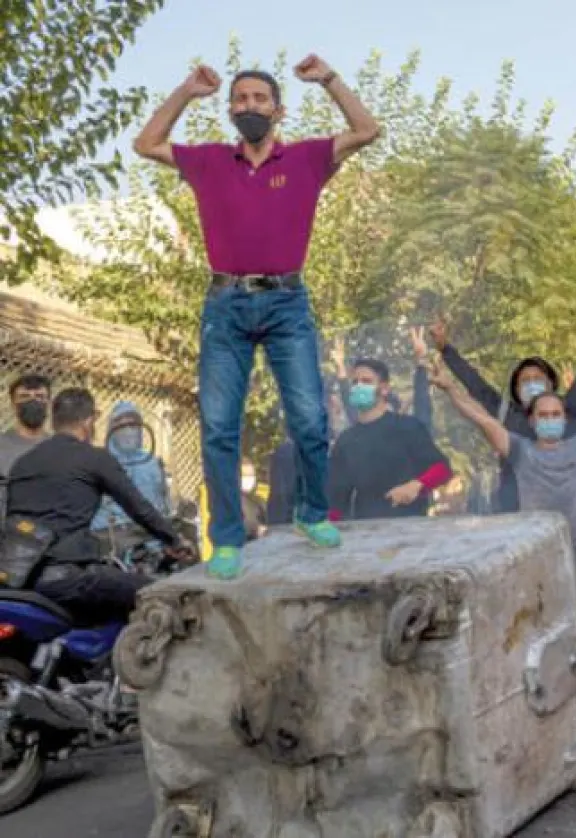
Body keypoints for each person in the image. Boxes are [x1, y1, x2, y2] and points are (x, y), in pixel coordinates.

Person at [133, 55, 382, 579]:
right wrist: (186, 91)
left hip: (287, 303)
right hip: (226, 304)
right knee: (219, 427)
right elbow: (147, 143)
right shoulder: (208, 161)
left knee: (310, 419)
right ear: (230, 110)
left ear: (278, 111)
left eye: (260, 99)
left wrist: (329, 80)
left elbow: (366, 130)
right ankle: (226, 538)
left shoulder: (308, 159)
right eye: (241, 99)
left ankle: (311, 513)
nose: (250, 106)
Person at [431, 361, 576, 727]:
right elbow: (480, 417)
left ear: (565, 419)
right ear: (532, 421)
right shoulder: (520, 450)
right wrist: (450, 388)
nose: (550, 419)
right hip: (538, 555)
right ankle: (541, 699)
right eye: (543, 415)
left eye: (556, 414)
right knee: (538, 629)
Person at [5, 389, 190, 626]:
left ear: (54, 420)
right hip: (70, 578)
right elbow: (139, 508)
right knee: (165, 596)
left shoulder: (23, 463)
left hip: (21, 578)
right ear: (88, 421)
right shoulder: (94, 458)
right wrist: (175, 541)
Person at [427, 297, 576, 513]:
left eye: (537, 379)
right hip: (517, 513)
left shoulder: (569, 410)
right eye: (525, 381)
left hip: (568, 512)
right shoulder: (505, 413)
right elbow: (476, 384)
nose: (532, 384)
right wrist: (445, 349)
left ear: (550, 384)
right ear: (516, 389)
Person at [327, 359, 452, 521]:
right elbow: (336, 500)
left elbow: (443, 469)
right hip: (366, 528)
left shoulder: (407, 427)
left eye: (366, 381)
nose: (359, 387)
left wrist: (417, 485)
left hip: (411, 527)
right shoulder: (346, 440)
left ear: (384, 389)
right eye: (355, 382)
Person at [91, 401, 172, 533]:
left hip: (150, 536)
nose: (128, 430)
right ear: (111, 429)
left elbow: (164, 502)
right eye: (121, 425)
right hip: (112, 537)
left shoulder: (151, 463)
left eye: (132, 425)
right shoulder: (100, 463)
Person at [0, 375, 51, 516]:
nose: (33, 401)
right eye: (24, 396)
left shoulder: (60, 448)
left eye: (39, 396)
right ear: (12, 403)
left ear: (49, 403)